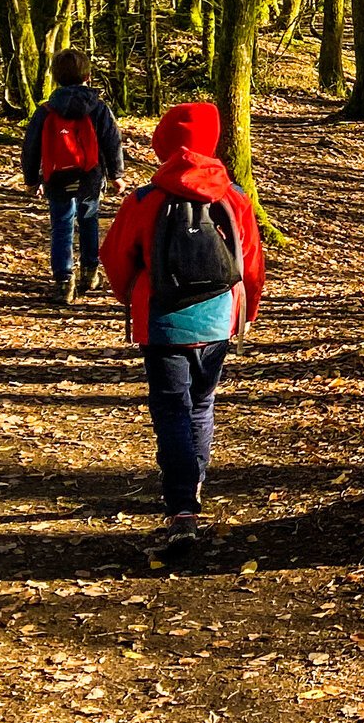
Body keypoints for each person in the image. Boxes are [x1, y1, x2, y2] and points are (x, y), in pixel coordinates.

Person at [100, 102, 265, 565]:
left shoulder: (146, 198)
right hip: (217, 320)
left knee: (171, 409)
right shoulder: (233, 196)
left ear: (163, 144)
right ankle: (194, 481)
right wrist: (247, 308)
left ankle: (181, 508)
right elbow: (249, 260)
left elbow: (114, 258)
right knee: (202, 403)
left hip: (162, 321)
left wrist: (132, 295)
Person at [20, 47, 123, 304]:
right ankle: (90, 273)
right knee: (89, 220)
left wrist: (32, 179)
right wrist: (116, 175)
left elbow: (30, 146)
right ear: (87, 76)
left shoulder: (46, 110)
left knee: (62, 225)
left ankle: (64, 282)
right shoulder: (98, 108)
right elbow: (112, 142)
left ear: (56, 77)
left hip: (57, 176)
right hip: (90, 175)